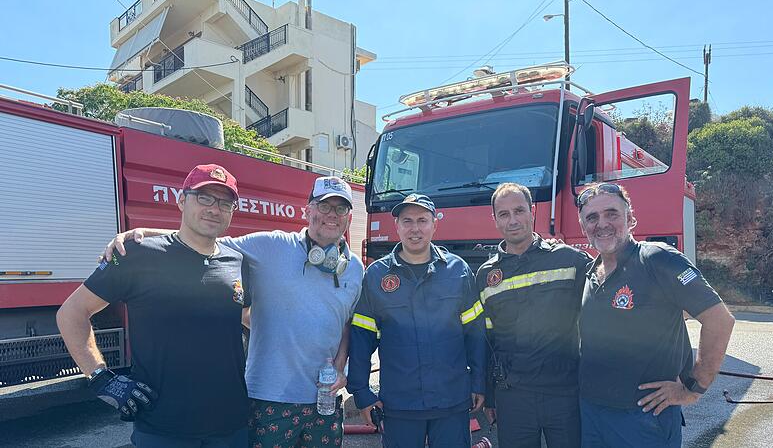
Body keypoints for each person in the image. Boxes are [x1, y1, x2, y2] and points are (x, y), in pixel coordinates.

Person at [104, 176, 364, 448]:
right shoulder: (271, 246)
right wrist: (140, 235)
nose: (332, 215)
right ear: (308, 210)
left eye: (340, 208)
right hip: (268, 399)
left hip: (325, 399)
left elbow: (346, 322)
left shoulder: (355, 269)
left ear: (349, 217)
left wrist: (338, 367)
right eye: (324, 206)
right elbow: (202, 240)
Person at [58, 164, 250, 447]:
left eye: (224, 202)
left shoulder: (239, 262)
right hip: (162, 428)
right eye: (204, 197)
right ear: (182, 200)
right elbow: (72, 313)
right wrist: (100, 377)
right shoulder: (137, 254)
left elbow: (247, 318)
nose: (214, 208)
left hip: (231, 426)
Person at [576, 182, 735, 448]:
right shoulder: (591, 272)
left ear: (630, 218)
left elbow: (719, 320)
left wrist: (692, 389)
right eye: (592, 217)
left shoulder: (657, 259)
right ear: (583, 227)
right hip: (592, 412)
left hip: (643, 419)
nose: (602, 223)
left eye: (611, 214)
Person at [347, 193, 487, 448]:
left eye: (422, 220)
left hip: (451, 401)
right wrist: (362, 392)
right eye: (407, 221)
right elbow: (361, 338)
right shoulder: (377, 276)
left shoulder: (458, 271)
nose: (415, 228)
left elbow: (475, 333)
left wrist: (479, 381)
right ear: (397, 227)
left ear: (434, 225)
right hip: (400, 405)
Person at [476, 183, 591, 448]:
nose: (512, 220)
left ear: (533, 212)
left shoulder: (570, 260)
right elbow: (487, 339)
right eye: (503, 214)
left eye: (519, 211)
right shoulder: (485, 276)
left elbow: (605, 316)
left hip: (565, 392)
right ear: (494, 220)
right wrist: (491, 395)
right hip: (514, 396)